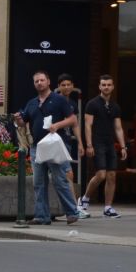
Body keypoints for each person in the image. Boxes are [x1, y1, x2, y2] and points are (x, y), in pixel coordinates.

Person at [14, 70, 79, 225]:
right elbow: (23, 122)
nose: (39, 83)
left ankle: (72, 212)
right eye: (36, 81)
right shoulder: (32, 103)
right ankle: (41, 216)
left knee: (60, 179)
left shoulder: (59, 100)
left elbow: (72, 119)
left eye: (42, 80)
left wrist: (57, 125)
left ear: (48, 81)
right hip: (37, 146)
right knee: (38, 182)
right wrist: (18, 120)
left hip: (54, 144)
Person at [81, 74, 128, 218]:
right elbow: (88, 125)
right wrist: (89, 145)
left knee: (112, 175)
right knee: (101, 174)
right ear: (100, 86)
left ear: (113, 86)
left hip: (109, 142)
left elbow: (118, 128)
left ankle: (108, 207)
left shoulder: (115, 106)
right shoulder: (92, 104)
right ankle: (84, 200)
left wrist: (123, 146)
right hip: (97, 141)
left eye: (109, 84)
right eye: (104, 85)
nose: (106, 87)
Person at [56, 74, 86, 212]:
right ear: (58, 87)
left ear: (73, 86)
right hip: (56, 142)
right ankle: (73, 207)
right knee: (68, 174)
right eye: (63, 85)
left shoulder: (73, 105)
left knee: (64, 175)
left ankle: (70, 207)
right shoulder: (54, 101)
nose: (66, 87)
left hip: (67, 141)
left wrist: (80, 143)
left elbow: (75, 125)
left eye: (69, 84)